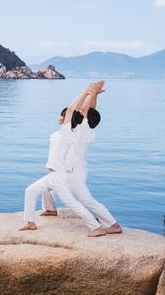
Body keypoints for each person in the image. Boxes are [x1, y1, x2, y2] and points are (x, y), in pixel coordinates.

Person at [40, 81, 123, 235]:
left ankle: (114, 225)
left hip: (73, 173)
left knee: (87, 201)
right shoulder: (88, 130)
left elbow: (84, 110)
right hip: (72, 169)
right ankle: (50, 209)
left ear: (86, 120)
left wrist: (90, 92)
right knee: (46, 186)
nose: (80, 114)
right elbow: (90, 110)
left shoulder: (81, 130)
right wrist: (95, 94)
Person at [21, 83, 103, 236]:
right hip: (52, 175)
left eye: (62, 115)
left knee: (72, 203)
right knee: (30, 191)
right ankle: (30, 222)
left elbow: (74, 110)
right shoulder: (63, 132)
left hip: (58, 175)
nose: (59, 117)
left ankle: (96, 227)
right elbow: (80, 111)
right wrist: (93, 94)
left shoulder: (68, 132)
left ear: (67, 119)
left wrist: (85, 92)